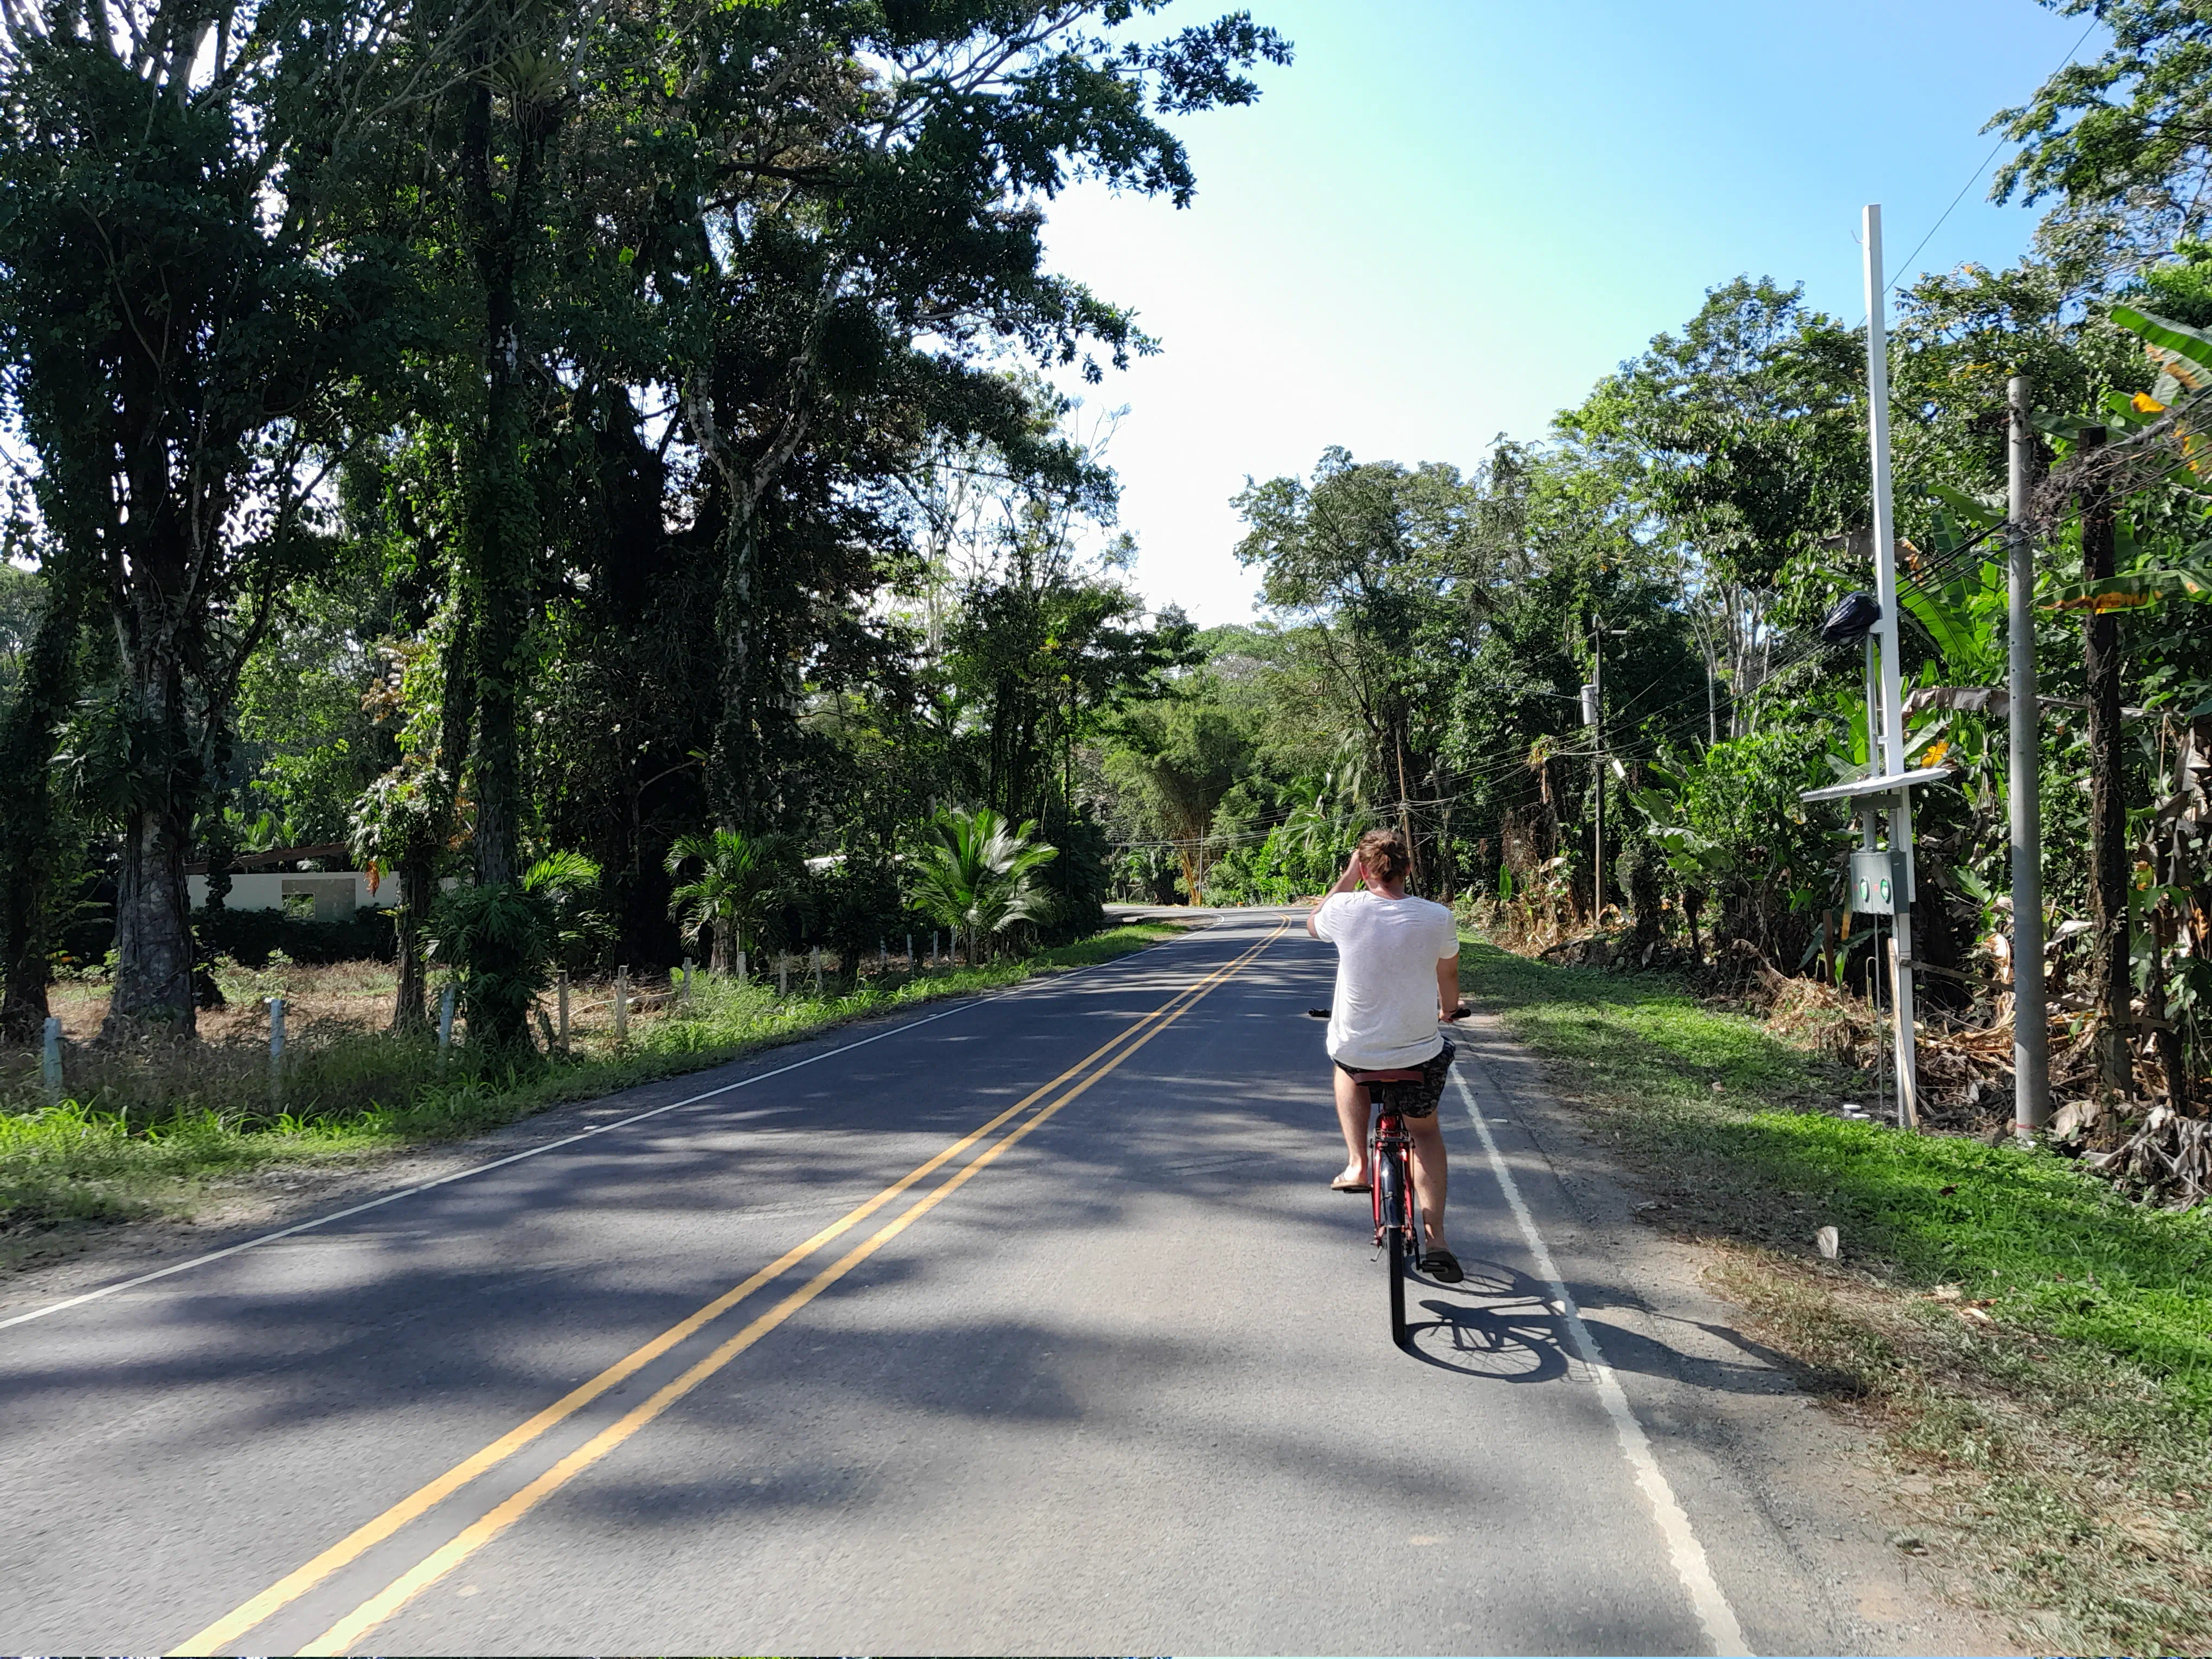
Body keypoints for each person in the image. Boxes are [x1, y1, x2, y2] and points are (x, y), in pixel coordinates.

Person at [1306, 828, 1465, 1283]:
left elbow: (1314, 920)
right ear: (1409, 869)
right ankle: (1436, 1240)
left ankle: (1358, 1163)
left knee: (1344, 1062)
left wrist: (1346, 877)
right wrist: (1448, 1010)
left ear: (1365, 870)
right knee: (1426, 1133)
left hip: (1358, 1051)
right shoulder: (1437, 917)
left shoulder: (1344, 908)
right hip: (1418, 1054)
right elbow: (1448, 974)